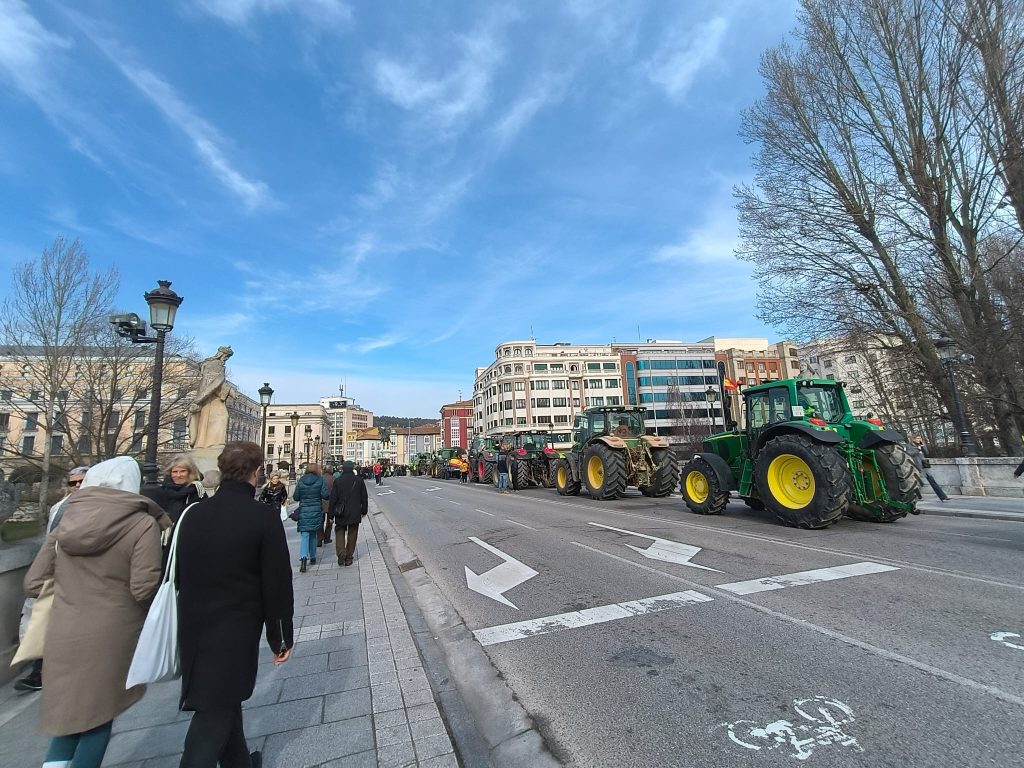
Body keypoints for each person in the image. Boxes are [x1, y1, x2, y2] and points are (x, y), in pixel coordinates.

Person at [24, 456, 169, 768]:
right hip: (113, 630)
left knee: (69, 717)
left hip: (64, 628)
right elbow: (143, 587)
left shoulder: (68, 519)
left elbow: (34, 582)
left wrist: (70, 594)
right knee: (99, 715)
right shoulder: (141, 523)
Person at [176, 442, 293, 768]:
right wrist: (280, 636)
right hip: (234, 629)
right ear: (256, 473)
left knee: (222, 699)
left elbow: (179, 574)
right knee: (212, 716)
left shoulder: (193, 515)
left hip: (193, 626)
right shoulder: (261, 517)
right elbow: (277, 583)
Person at [15, 465, 90, 693]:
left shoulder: (94, 508)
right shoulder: (58, 508)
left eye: (82, 482)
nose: (77, 486)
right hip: (56, 573)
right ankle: (40, 669)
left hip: (82, 575)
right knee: (46, 621)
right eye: (73, 482)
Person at [329, 460, 368, 566]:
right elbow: (364, 497)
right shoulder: (359, 480)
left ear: (343, 469)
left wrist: (331, 515)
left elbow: (333, 499)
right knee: (352, 533)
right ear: (352, 469)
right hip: (355, 511)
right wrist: (364, 510)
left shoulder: (338, 481)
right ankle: (349, 557)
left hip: (341, 512)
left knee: (339, 530)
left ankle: (341, 552)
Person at [292, 463, 328, 572]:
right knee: (313, 534)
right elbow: (325, 495)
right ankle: (312, 556)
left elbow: (296, 497)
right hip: (316, 510)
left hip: (304, 510)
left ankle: (303, 557)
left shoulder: (301, 480)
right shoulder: (320, 480)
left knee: (305, 535)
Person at [161, 455, 207, 523]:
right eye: (175, 472)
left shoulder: (197, 489)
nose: (178, 475)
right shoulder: (163, 490)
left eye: (182, 471)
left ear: (190, 473)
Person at [908, 436, 949, 502]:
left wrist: (923, 447)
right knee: (916, 483)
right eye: (918, 438)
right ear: (913, 439)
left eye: (920, 438)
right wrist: (917, 449)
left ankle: (943, 496)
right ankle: (916, 497)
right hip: (916, 467)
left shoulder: (921, 446)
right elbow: (909, 454)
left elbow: (927, 453)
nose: (919, 440)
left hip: (924, 466)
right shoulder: (909, 446)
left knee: (932, 480)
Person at [320, 469, 335, 545]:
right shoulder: (333, 479)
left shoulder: (320, 478)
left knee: (320, 521)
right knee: (329, 521)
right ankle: (327, 538)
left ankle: (319, 539)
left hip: (321, 503)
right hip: (330, 503)